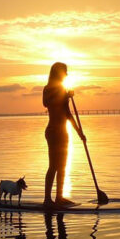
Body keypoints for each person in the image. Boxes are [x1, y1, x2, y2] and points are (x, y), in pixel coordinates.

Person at [43, 62, 85, 208]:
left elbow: (68, 114)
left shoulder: (63, 90)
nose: (67, 74)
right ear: (58, 73)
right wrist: (64, 95)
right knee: (53, 166)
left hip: (63, 132)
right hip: (53, 132)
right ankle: (47, 199)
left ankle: (59, 197)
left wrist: (79, 132)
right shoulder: (48, 89)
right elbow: (47, 103)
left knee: (62, 166)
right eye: (65, 72)